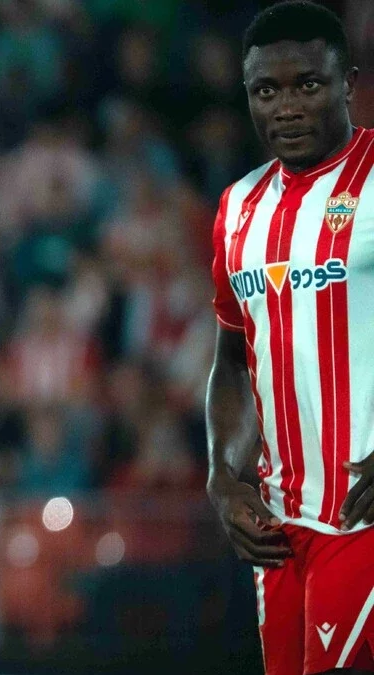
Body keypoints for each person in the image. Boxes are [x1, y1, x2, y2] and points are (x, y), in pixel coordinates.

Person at [205, 3, 374, 674]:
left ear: (348, 83)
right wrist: (221, 472)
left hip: (362, 519)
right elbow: (231, 358)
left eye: (308, 84)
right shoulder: (238, 208)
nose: (287, 106)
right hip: (280, 529)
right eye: (265, 91)